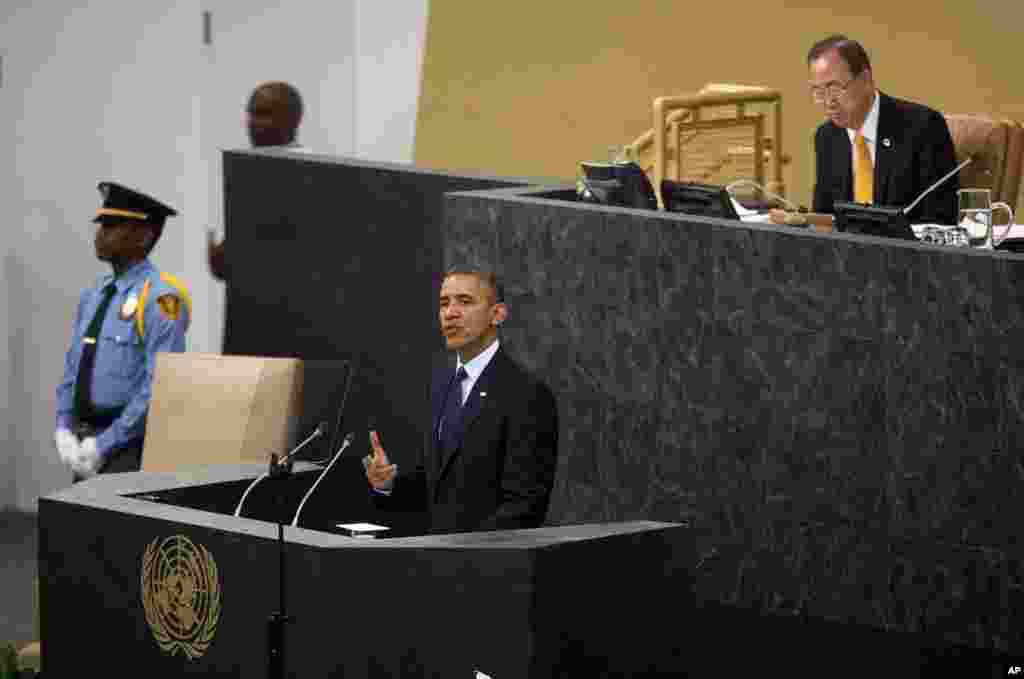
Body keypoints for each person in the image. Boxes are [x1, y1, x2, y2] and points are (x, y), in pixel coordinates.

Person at [364, 269, 559, 534]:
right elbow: (437, 488)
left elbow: (525, 507)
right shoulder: (441, 384)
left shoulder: (526, 394)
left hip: (487, 566)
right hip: (435, 562)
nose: (450, 313)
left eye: (465, 302)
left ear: (497, 314)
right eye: (444, 303)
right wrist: (387, 484)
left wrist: (462, 554)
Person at [55, 182, 190, 480]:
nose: (100, 233)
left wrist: (105, 444)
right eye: (101, 223)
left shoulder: (161, 299)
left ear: (144, 236)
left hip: (127, 449)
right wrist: (63, 425)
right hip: (83, 442)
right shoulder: (95, 296)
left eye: (112, 224)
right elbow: (73, 366)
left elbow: (159, 386)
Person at [807, 35, 958, 225]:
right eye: (818, 92)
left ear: (865, 79)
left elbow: (941, 218)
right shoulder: (827, 137)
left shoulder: (923, 127)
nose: (828, 102)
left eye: (835, 87)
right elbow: (823, 216)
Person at [208, 81, 305, 280]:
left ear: (294, 118)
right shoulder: (242, 172)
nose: (254, 123)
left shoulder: (311, 173)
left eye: (264, 114)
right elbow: (222, 264)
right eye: (251, 114)